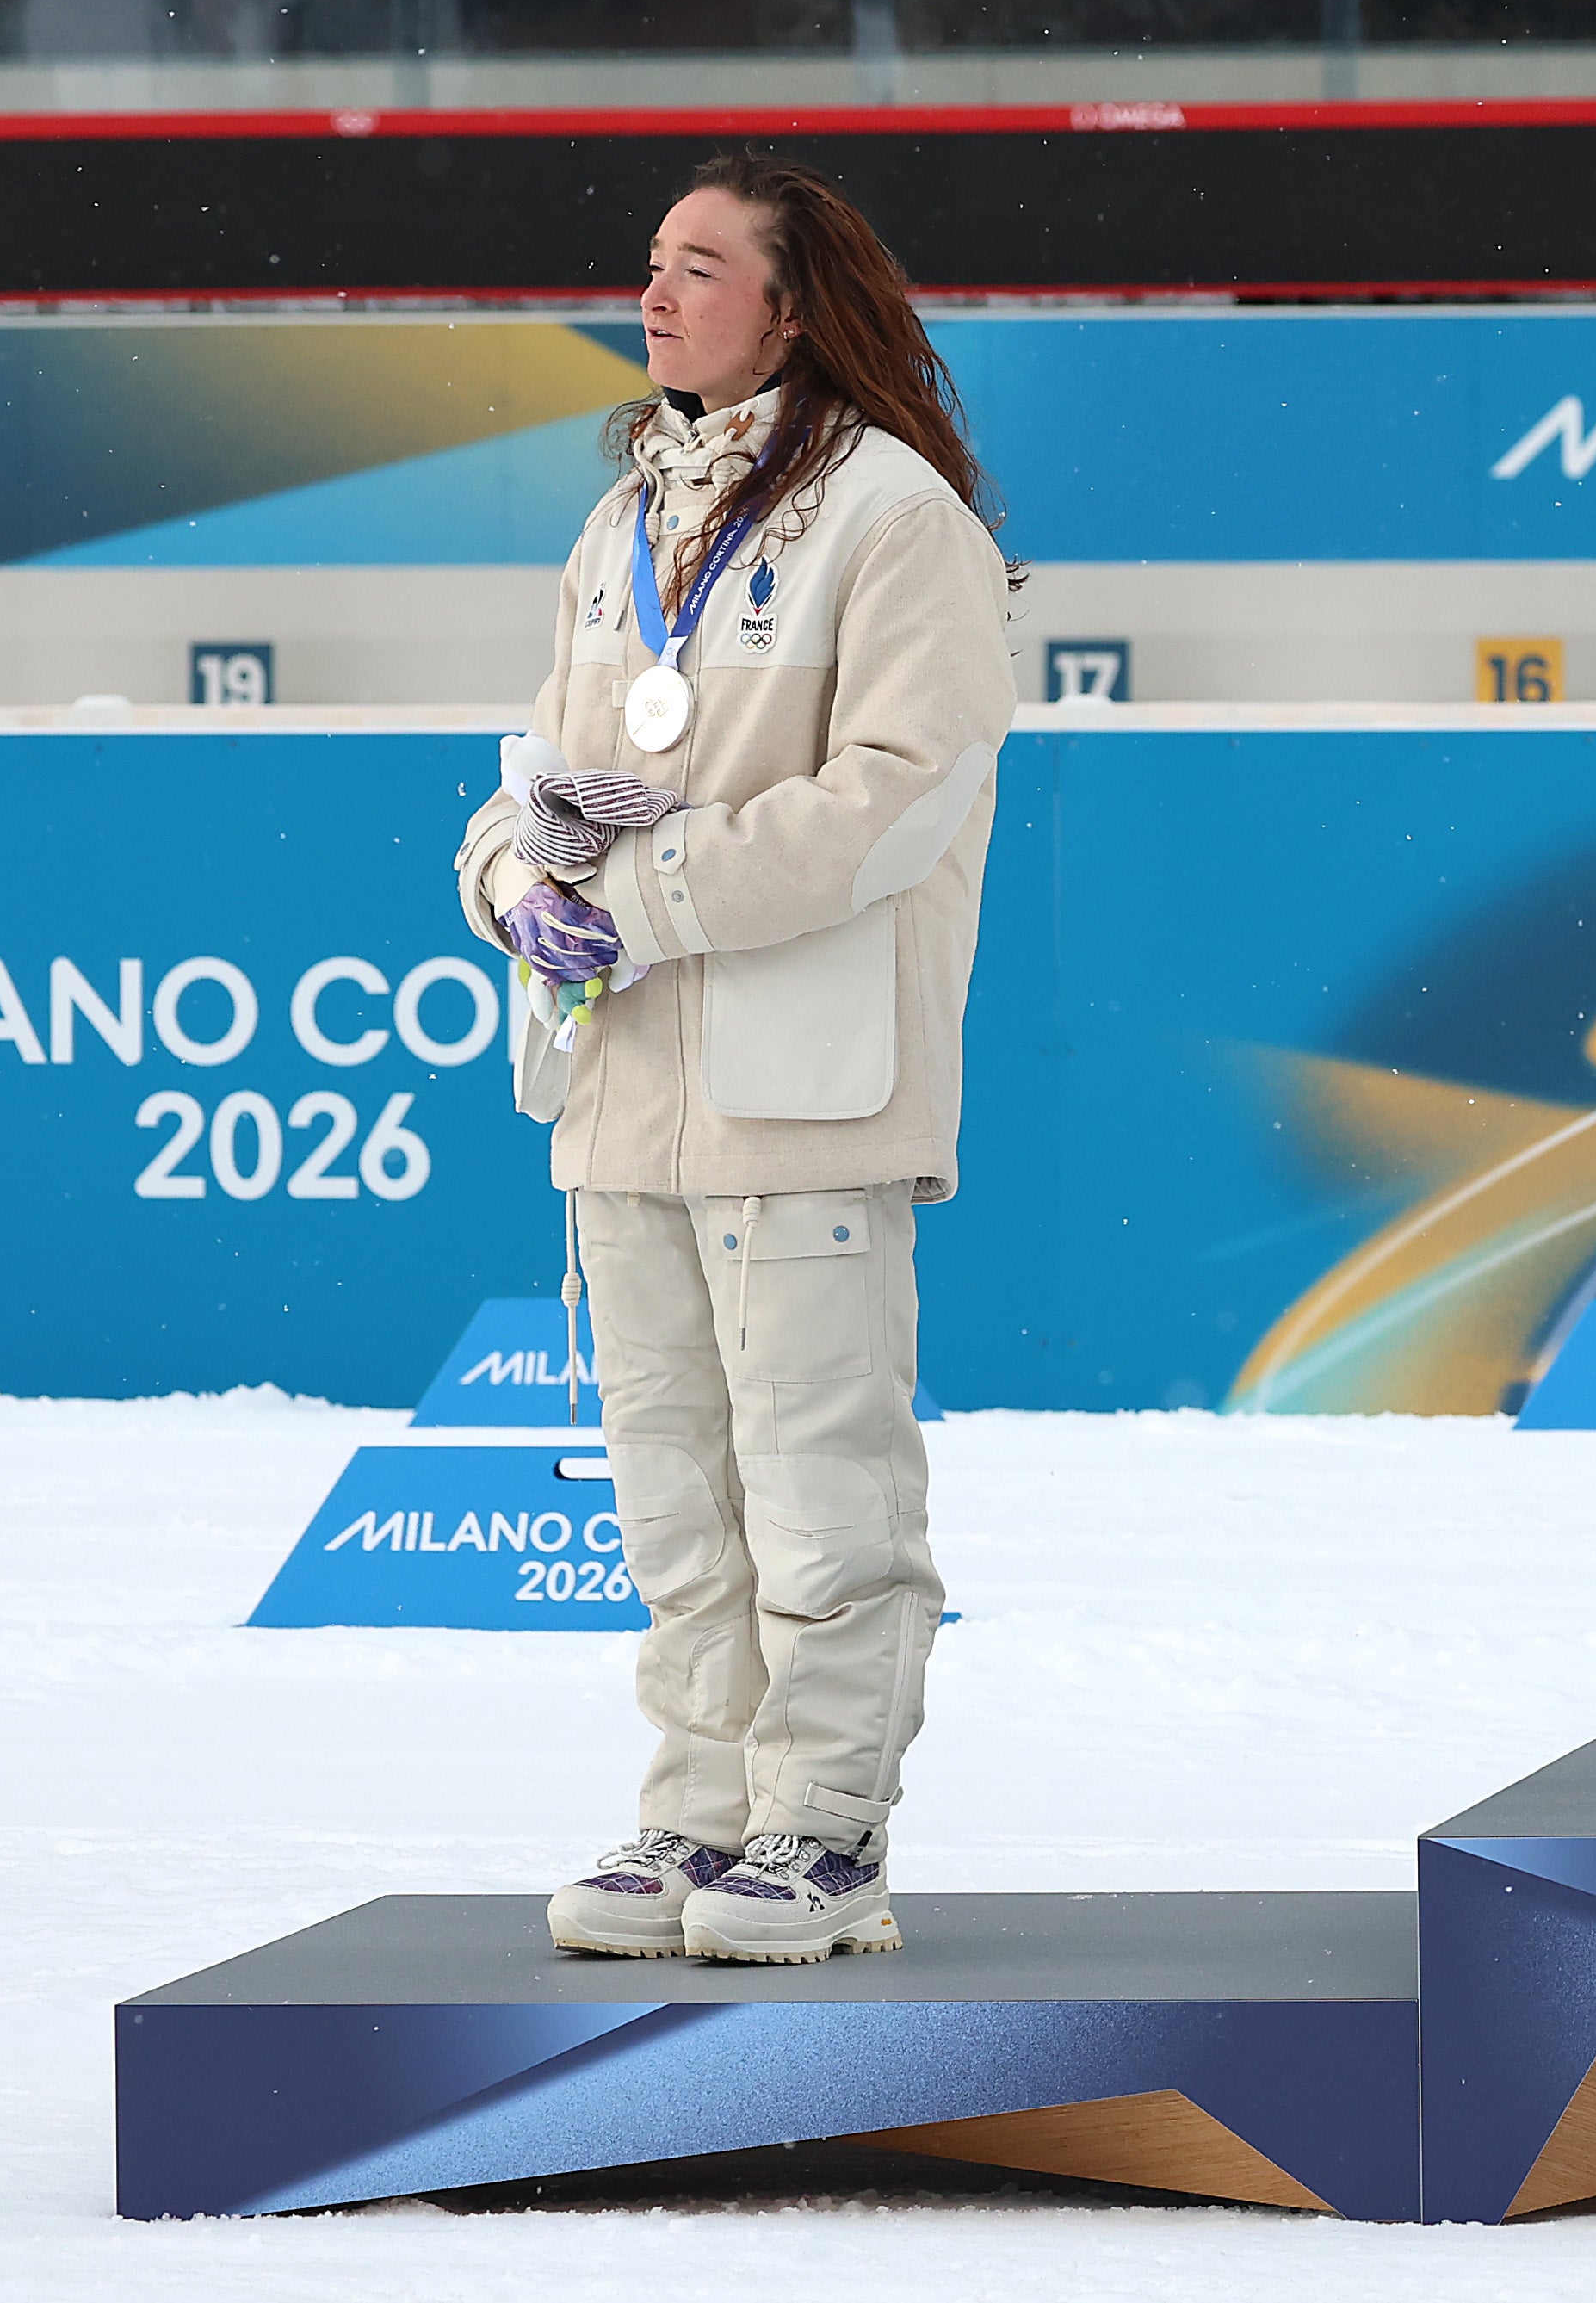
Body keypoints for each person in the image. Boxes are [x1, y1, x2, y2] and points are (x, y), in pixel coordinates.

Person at [458, 150, 1017, 1965]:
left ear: (794, 304)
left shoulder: (893, 512)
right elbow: (531, 773)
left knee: (816, 1474)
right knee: (671, 1480)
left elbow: (897, 801)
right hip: (619, 1085)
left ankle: (821, 1829)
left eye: (701, 266)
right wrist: (511, 887)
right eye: (650, 261)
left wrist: (647, 893)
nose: (657, 291)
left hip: (804, 1080)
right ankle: (697, 1806)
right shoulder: (622, 517)